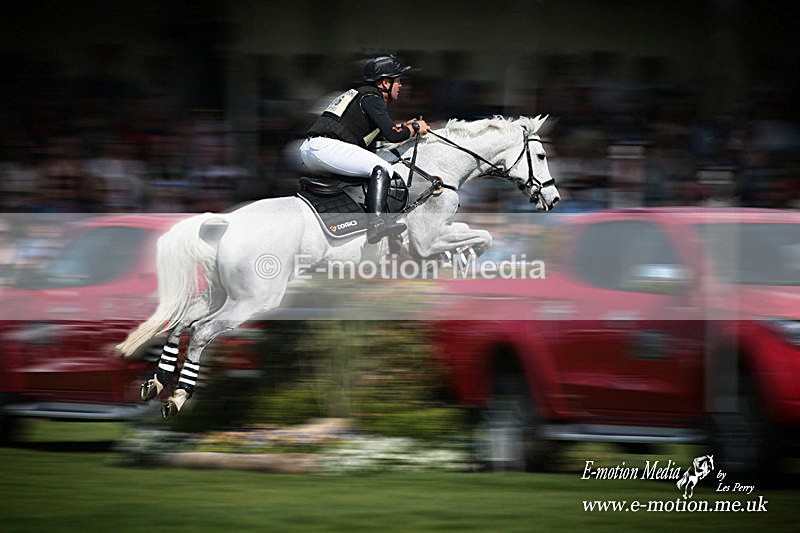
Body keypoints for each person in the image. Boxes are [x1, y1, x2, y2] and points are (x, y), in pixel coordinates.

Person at [299, 54, 430, 244]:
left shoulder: (363, 95)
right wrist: (415, 128)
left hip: (315, 149)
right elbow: (394, 135)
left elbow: (383, 136)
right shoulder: (372, 97)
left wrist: (406, 127)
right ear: (385, 83)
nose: (401, 86)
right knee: (383, 169)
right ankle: (376, 224)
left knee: (370, 170)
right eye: (398, 81)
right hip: (326, 148)